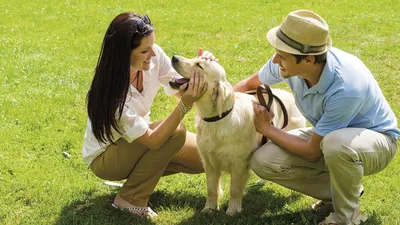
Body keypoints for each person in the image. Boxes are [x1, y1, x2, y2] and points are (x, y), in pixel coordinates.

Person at [233, 10, 399, 225]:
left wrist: (267, 129)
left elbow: (312, 152)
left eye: (282, 56)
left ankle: (346, 216)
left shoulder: (347, 86)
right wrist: (221, 111)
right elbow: (248, 85)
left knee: (335, 144)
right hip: (328, 136)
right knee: (263, 161)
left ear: (308, 60)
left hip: (377, 141)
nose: (275, 60)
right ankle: (342, 193)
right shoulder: (286, 62)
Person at [82, 12, 209, 218]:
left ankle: (141, 176)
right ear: (124, 54)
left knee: (206, 157)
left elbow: (177, 86)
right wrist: (185, 105)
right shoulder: (114, 97)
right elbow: (153, 140)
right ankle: (130, 198)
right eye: (144, 51)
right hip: (106, 157)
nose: (153, 54)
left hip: (136, 142)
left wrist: (200, 69)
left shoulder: (153, 55)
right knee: (174, 132)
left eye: (152, 47)